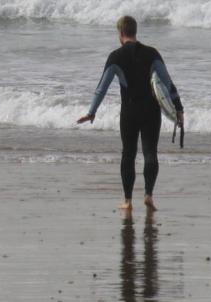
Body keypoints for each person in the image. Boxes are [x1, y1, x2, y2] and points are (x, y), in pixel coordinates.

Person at [76, 15, 183, 213]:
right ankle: (149, 195)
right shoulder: (152, 54)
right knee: (150, 152)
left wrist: (91, 112)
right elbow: (168, 83)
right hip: (151, 111)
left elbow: (101, 89)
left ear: (120, 33)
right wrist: (179, 109)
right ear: (135, 31)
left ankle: (127, 200)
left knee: (129, 154)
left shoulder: (115, 57)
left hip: (129, 112)